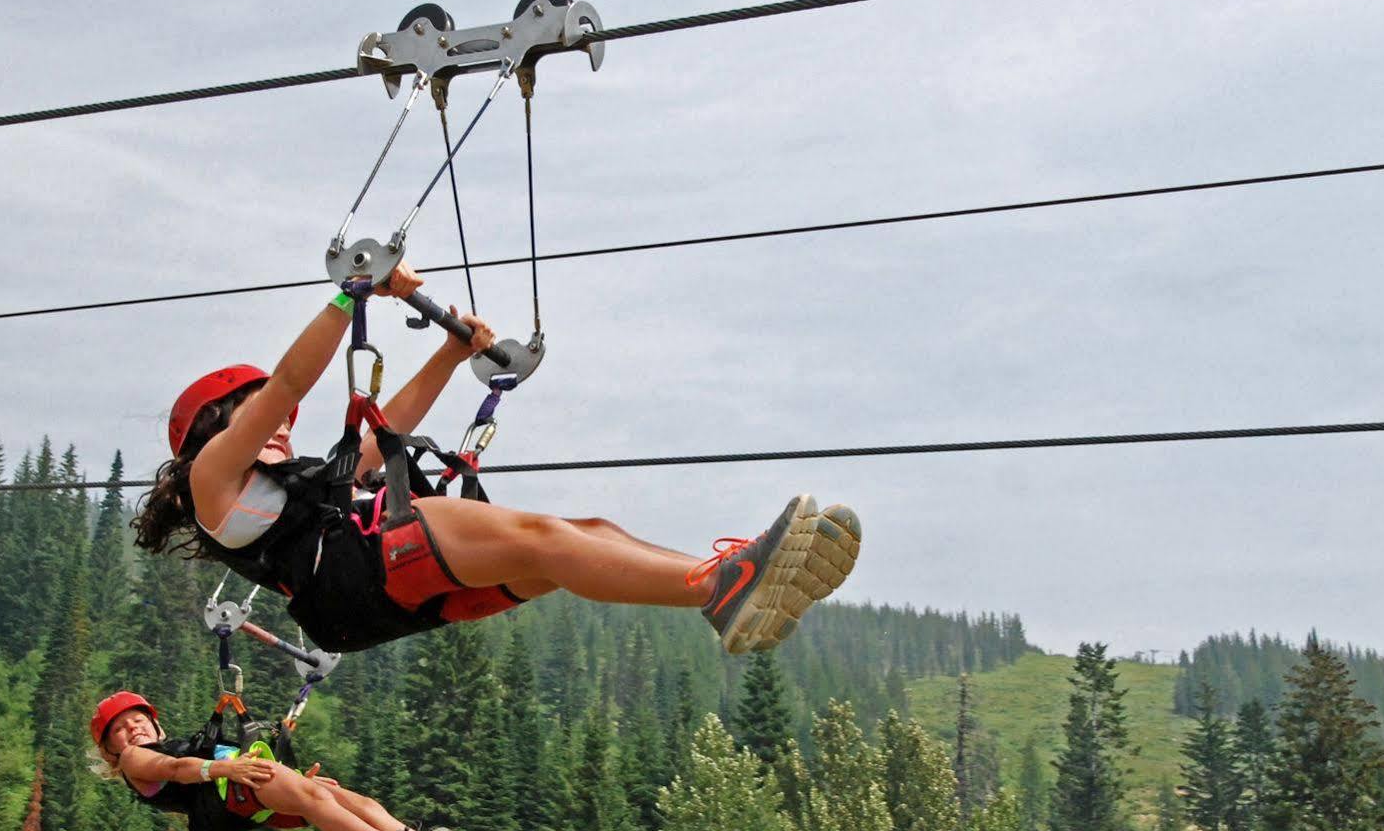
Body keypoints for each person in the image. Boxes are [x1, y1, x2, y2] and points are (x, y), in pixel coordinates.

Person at [131, 263, 861, 656]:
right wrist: (350, 293)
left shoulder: (290, 496)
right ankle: (721, 582)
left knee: (581, 541)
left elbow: (387, 429)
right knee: (543, 539)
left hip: (359, 606)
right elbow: (291, 381)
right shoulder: (211, 481)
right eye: (261, 418)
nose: (282, 429)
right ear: (213, 427)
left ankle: (723, 591)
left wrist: (450, 352)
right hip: (358, 576)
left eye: (285, 425)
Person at [88, 690, 522, 831]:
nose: (133, 729)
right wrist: (231, 768)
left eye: (138, 719)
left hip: (238, 788)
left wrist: (290, 778)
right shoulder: (133, 760)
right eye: (120, 729)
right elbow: (175, 770)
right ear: (110, 748)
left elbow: (197, 760)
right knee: (317, 799)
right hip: (226, 794)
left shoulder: (177, 741)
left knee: (346, 797)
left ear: (154, 722)